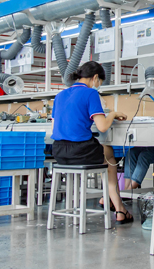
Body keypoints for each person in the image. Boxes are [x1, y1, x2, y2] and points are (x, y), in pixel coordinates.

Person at [51, 62, 133, 224]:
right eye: (100, 82)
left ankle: (113, 202)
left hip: (59, 152)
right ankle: (119, 208)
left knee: (103, 152)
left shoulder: (60, 95)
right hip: (80, 151)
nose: (98, 85)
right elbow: (102, 127)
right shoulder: (90, 94)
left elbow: (55, 127)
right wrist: (113, 114)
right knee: (109, 155)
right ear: (95, 77)